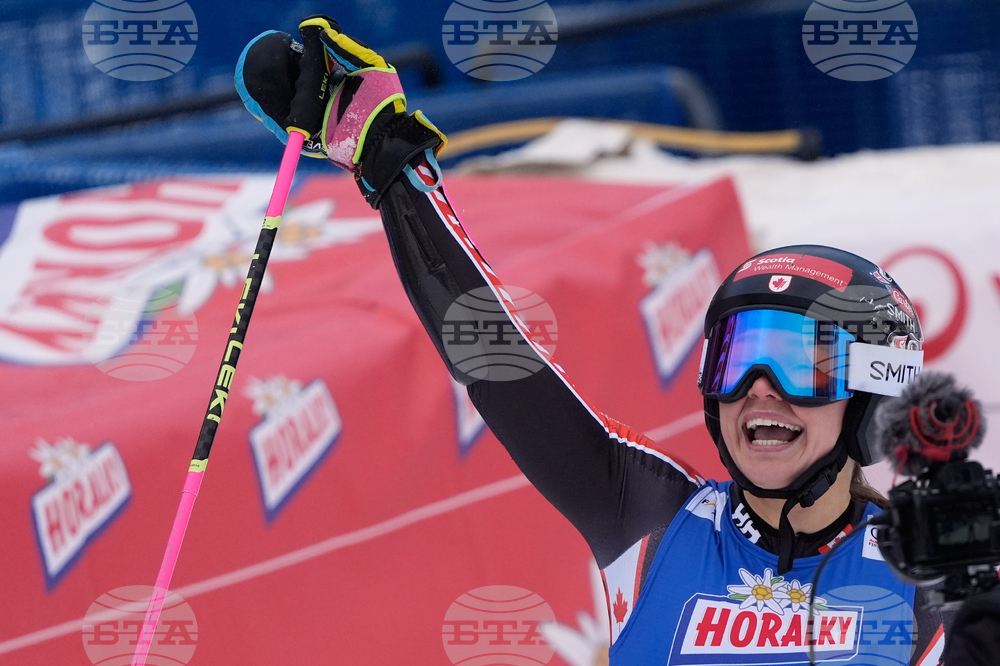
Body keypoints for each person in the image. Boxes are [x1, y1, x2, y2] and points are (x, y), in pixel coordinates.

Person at [236, 18, 948, 664]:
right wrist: (387, 161)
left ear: (874, 398)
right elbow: (499, 362)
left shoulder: (933, 578)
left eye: (801, 364)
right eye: (736, 357)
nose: (759, 388)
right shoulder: (651, 514)